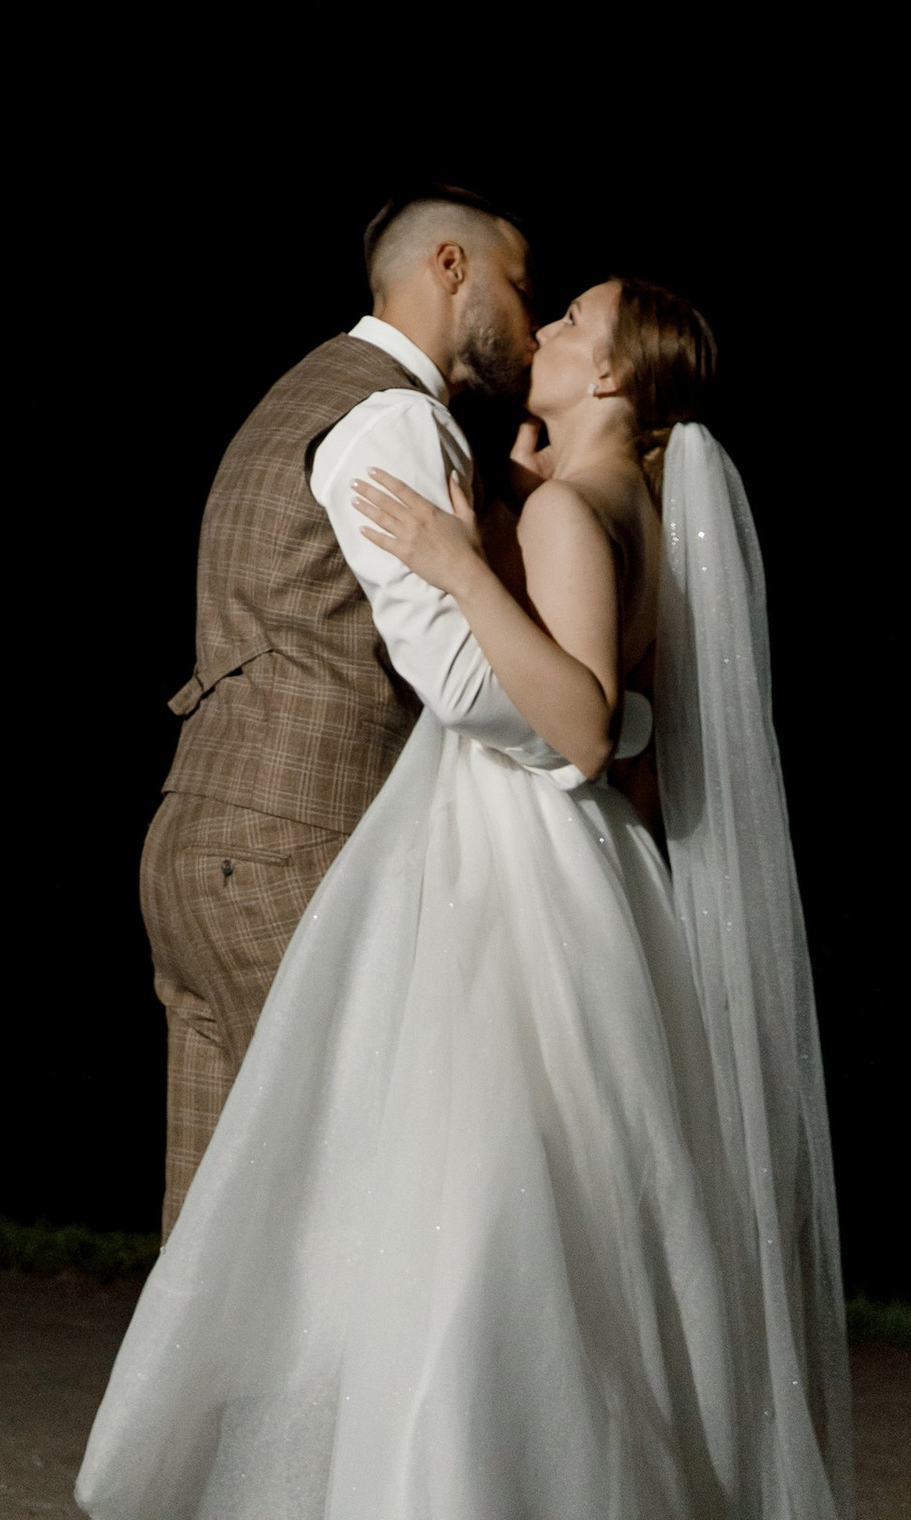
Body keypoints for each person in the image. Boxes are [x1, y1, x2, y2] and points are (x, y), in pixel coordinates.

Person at [80, 276, 850, 1520]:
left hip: (519, 868)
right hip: (573, 868)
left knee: (483, 1196)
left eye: (570, 325)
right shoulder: (619, 503)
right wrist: (527, 499)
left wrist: (457, 562)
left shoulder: (565, 519)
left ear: (609, 377)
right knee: (552, 1198)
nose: (541, 328)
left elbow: (586, 727)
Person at [143, 189, 619, 1233]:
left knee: (216, 1252)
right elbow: (452, 677)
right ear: (450, 268)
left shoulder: (305, 390)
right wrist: (587, 732)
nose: (532, 320)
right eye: (520, 285)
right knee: (354, 1213)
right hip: (293, 851)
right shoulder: (401, 418)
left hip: (206, 838)